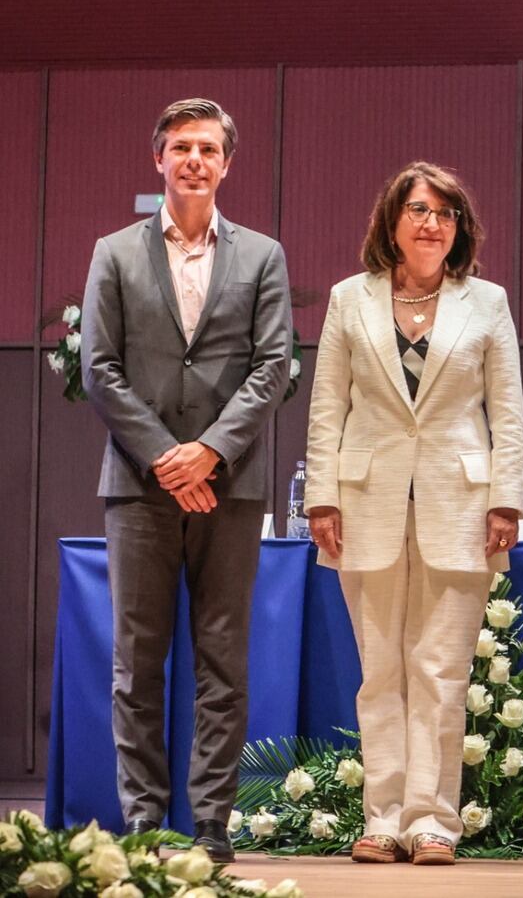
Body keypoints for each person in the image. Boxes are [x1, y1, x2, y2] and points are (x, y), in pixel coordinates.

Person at [81, 98, 292, 860]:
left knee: (222, 658)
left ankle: (210, 823)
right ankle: (143, 819)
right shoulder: (114, 251)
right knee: (137, 662)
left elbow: (274, 365)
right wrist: (167, 455)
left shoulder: (263, 254)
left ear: (227, 163)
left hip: (228, 487)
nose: (194, 159)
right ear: (159, 160)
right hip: (139, 486)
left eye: (208, 147)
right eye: (181, 147)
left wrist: (208, 453)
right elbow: (97, 368)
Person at [302, 163, 523, 865]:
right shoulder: (349, 299)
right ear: (392, 221)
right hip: (364, 502)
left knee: (441, 671)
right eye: (420, 209)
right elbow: (326, 403)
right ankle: (383, 817)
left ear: (460, 228)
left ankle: (433, 821)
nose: (433, 223)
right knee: (382, 671)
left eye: (447, 212)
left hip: (461, 503)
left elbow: (509, 411)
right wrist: (321, 496)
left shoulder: (486, 301)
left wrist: (506, 498)